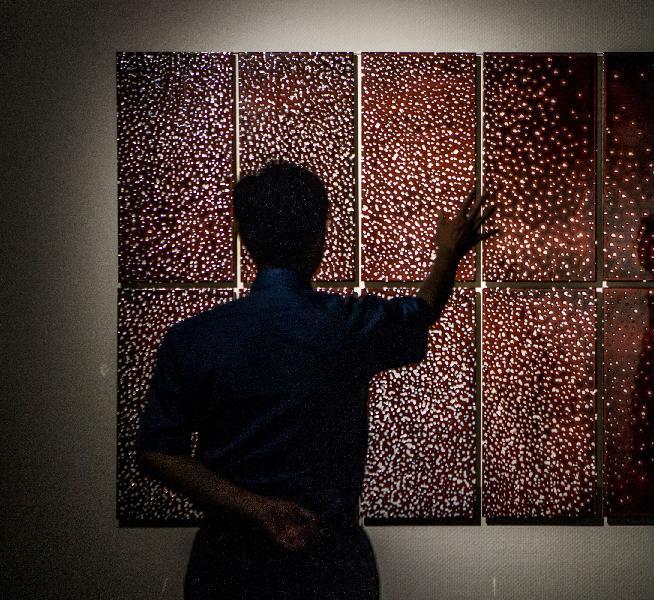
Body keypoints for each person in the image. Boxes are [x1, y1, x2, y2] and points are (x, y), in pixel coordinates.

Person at [135, 162, 498, 600]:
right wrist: (447, 254)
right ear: (320, 237)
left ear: (244, 238)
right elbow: (421, 311)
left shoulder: (191, 340)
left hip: (228, 568)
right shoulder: (349, 327)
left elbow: (158, 453)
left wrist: (255, 509)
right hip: (329, 564)